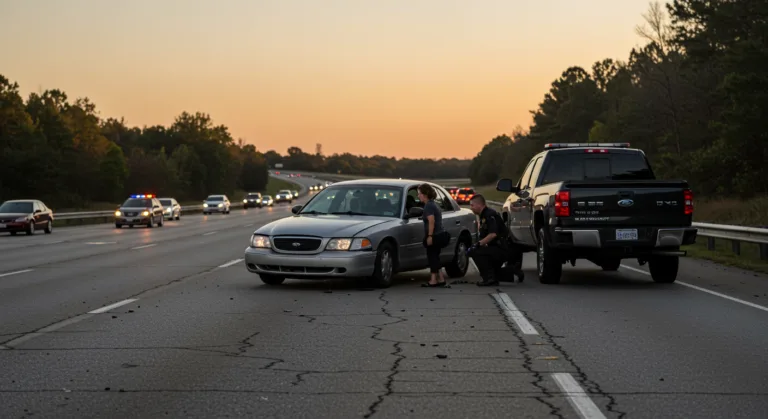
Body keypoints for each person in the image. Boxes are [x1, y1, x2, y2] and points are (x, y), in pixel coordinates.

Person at [468, 194, 524, 286]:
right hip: (496, 248)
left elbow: (493, 234)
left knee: (475, 251)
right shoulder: (483, 215)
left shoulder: (489, 215)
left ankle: (489, 279)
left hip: (501, 248)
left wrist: (477, 244)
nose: (471, 208)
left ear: (479, 205)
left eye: (472, 205)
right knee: (495, 272)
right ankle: (512, 271)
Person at [418, 183, 450, 287]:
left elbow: (431, 221)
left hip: (435, 235)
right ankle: (441, 278)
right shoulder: (433, 204)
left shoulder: (429, 206)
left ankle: (433, 280)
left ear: (425, 194)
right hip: (440, 234)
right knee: (435, 256)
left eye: (419, 193)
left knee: (432, 256)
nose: (418, 196)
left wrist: (430, 236)